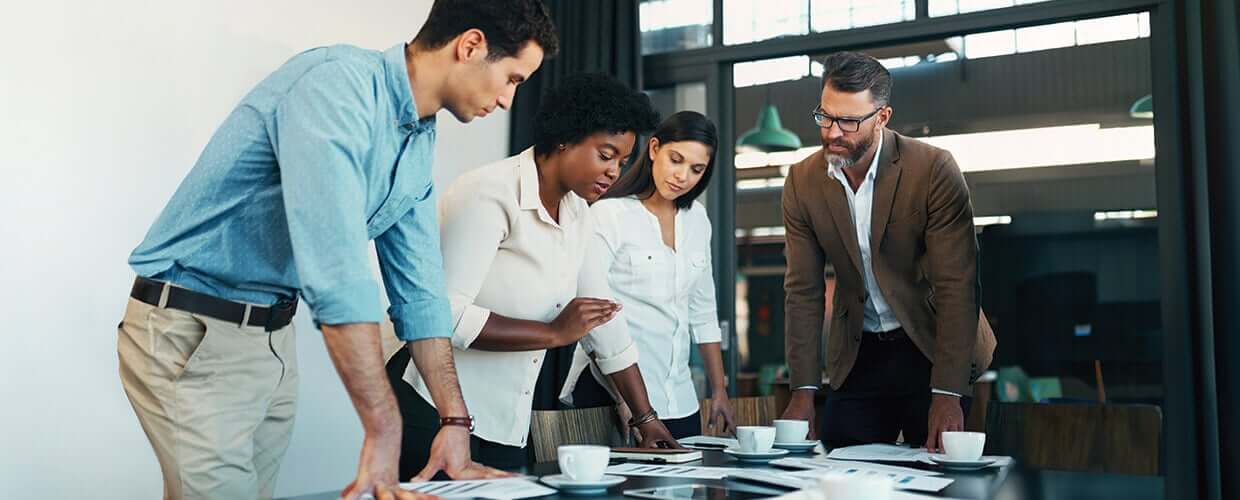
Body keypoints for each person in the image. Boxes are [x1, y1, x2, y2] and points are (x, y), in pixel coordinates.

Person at [118, 1, 557, 498]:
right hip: (191, 328)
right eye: (513, 79)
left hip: (269, 338)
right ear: (471, 45)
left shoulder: (415, 138)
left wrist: (454, 421)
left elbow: (421, 293)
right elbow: (337, 272)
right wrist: (384, 427)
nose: (506, 101)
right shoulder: (336, 86)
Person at [386, 73, 682, 477]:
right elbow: (442, 314)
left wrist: (645, 418)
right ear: (566, 138)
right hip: (434, 410)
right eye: (606, 154)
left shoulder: (578, 213)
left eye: (623, 162)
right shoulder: (488, 193)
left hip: (506, 417)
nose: (615, 171)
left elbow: (605, 321)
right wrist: (553, 334)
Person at [778, 51, 996, 452]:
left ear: (882, 117)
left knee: (939, 475)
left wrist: (948, 393)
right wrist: (803, 389)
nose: (832, 133)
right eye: (825, 116)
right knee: (840, 471)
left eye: (848, 121)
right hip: (859, 350)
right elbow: (803, 292)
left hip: (931, 345)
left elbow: (957, 286)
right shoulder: (802, 182)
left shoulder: (932, 169)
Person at [560, 111, 736, 439]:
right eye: (676, 159)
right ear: (654, 149)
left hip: (679, 399)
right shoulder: (608, 215)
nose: (682, 176)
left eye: (696, 169)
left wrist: (719, 390)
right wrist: (629, 402)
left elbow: (703, 309)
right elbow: (594, 316)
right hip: (611, 397)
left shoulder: (698, 219)